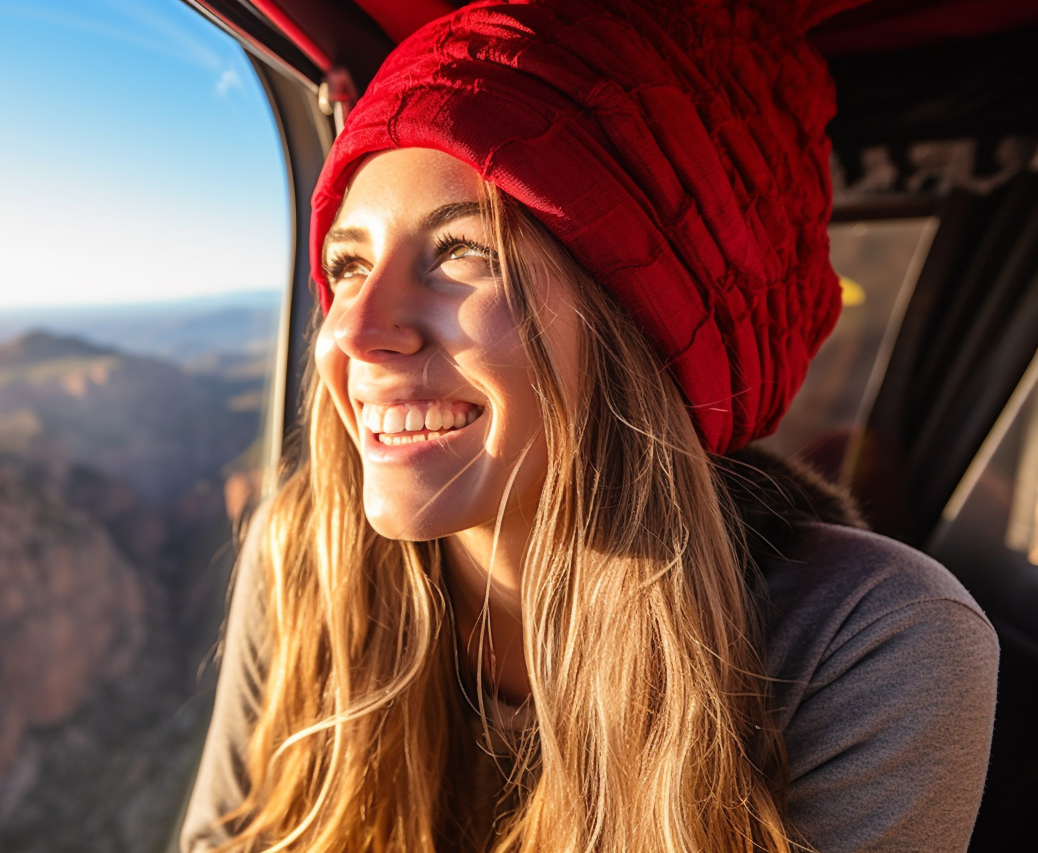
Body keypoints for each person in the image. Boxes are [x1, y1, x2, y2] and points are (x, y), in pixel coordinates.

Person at [181, 0, 998, 850]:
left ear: (642, 328)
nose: (352, 330)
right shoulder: (310, 556)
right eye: (347, 264)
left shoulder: (871, 645)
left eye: (465, 252)